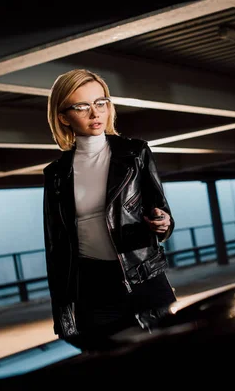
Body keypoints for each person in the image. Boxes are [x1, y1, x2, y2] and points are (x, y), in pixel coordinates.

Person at [42, 68, 177, 350]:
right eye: (82, 106)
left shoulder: (135, 153)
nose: (95, 113)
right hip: (91, 288)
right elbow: (55, 246)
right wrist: (63, 313)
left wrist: (163, 223)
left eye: (100, 102)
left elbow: (162, 212)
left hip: (143, 278)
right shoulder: (55, 174)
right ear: (63, 116)